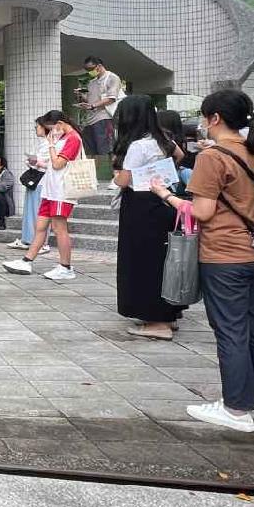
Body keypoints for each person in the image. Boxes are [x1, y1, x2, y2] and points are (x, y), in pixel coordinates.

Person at [150, 89, 254, 432]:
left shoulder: (213, 157)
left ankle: (235, 409)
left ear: (215, 118)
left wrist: (166, 196)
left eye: (205, 118)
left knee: (231, 330)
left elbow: (203, 212)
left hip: (224, 255)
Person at [111, 95, 184, 341]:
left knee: (142, 263)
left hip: (141, 207)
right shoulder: (162, 139)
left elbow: (123, 180)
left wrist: (118, 173)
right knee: (161, 261)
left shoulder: (137, 146)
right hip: (163, 201)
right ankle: (168, 315)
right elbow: (180, 155)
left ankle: (157, 322)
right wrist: (160, 173)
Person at [3, 111, 80, 280]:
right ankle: (27, 260)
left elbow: (58, 164)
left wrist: (51, 145)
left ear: (60, 123)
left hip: (61, 191)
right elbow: (52, 164)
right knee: (40, 226)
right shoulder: (62, 138)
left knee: (59, 229)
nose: (51, 132)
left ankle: (66, 267)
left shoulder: (73, 138)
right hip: (50, 190)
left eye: (51, 128)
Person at [8, 119, 53, 254]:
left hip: (42, 180)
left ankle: (42, 242)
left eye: (37, 126)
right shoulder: (42, 143)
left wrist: (35, 162)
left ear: (45, 127)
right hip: (37, 180)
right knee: (31, 210)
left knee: (39, 211)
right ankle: (28, 239)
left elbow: (48, 164)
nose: (35, 128)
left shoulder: (50, 144)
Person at [77, 56, 122, 156]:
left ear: (99, 66)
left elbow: (111, 98)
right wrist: (81, 96)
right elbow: (90, 100)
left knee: (105, 150)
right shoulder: (91, 82)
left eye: (91, 68)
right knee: (91, 152)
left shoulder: (112, 77)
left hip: (104, 118)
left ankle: (108, 166)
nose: (89, 71)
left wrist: (93, 105)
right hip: (90, 120)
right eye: (87, 69)